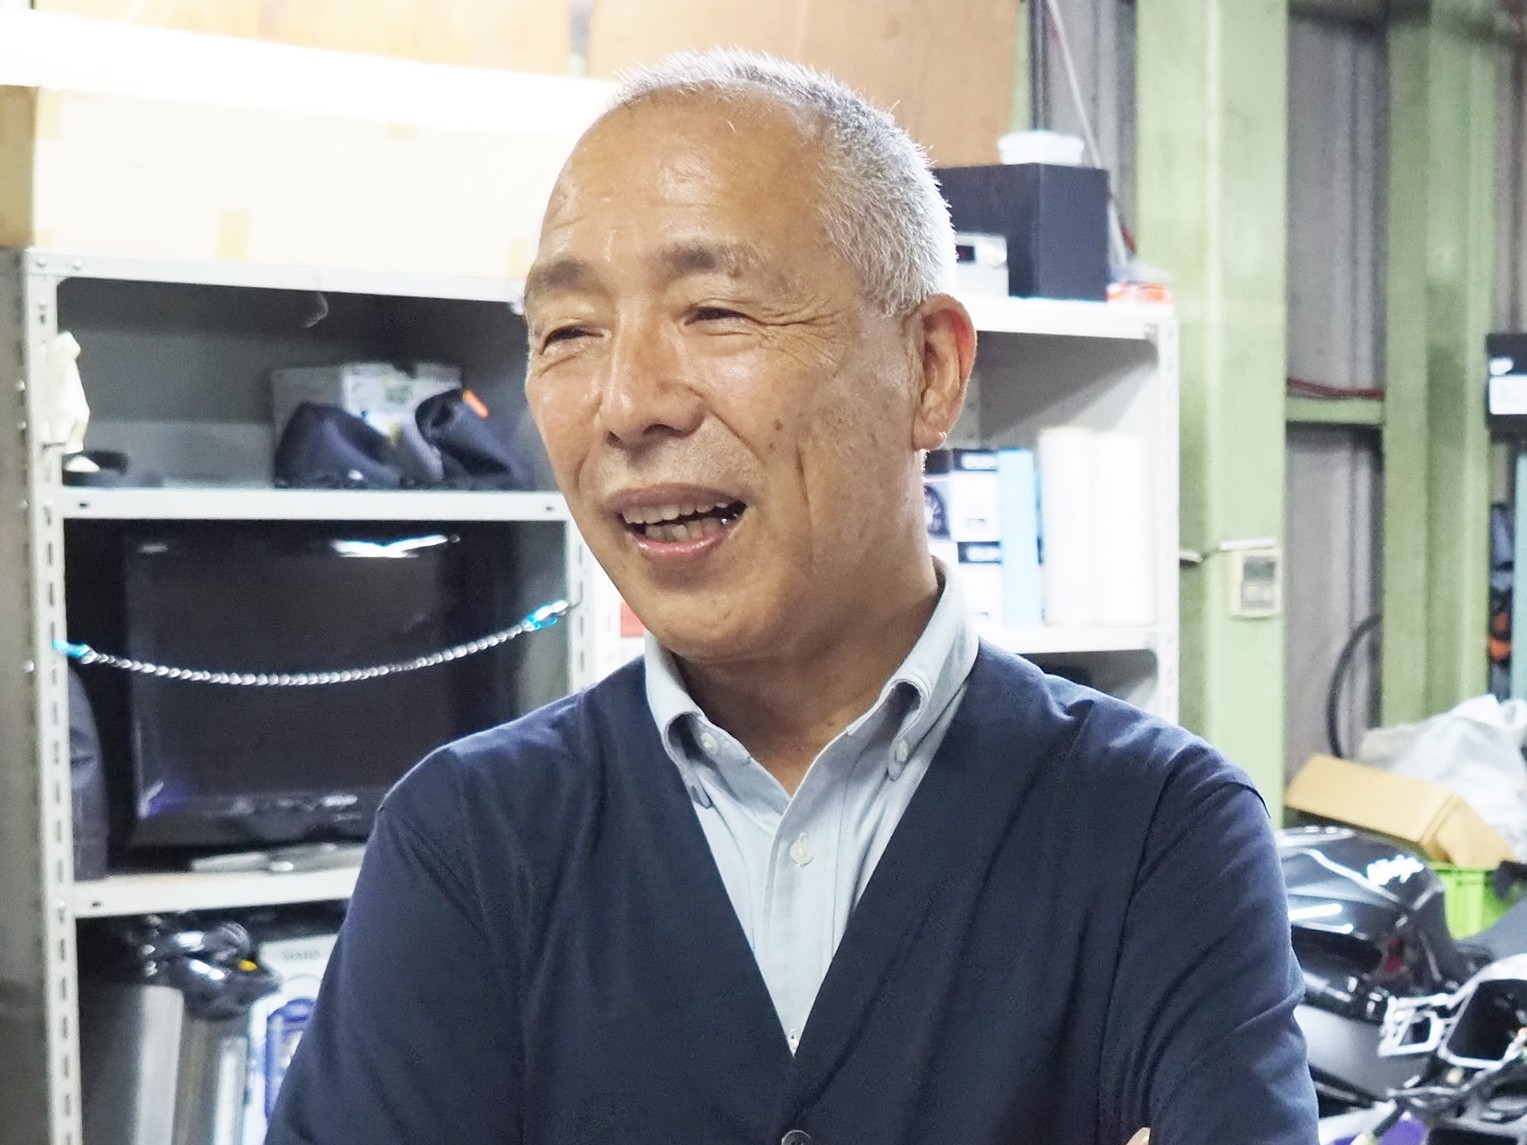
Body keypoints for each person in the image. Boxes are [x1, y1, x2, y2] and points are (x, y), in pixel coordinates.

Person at [266, 49, 1317, 1145]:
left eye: (715, 310)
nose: (627, 404)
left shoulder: (1153, 828)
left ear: (929, 370)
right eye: (569, 332)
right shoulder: (471, 839)